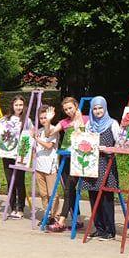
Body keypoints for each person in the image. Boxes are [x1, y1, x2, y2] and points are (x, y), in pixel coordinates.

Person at [46, 97, 88, 232]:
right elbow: (48, 133)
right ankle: (78, 219)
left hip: (79, 159)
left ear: (76, 106)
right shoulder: (64, 122)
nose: (68, 111)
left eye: (70, 108)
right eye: (65, 109)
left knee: (69, 189)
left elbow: (87, 137)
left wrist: (80, 120)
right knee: (70, 190)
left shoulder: (86, 119)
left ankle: (62, 221)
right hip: (65, 158)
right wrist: (48, 120)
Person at [82, 96, 120, 240]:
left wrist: (109, 149)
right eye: (95, 108)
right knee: (93, 196)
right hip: (91, 164)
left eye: (100, 108)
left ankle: (110, 230)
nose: (98, 111)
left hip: (106, 163)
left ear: (105, 108)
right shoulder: (89, 125)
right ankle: (99, 228)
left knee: (106, 198)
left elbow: (120, 143)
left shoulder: (112, 123)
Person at [0, 95, 28, 218]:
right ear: (12, 106)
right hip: (6, 154)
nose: (18, 107)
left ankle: (20, 208)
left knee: (19, 181)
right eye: (16, 105)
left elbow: (32, 134)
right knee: (10, 181)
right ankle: (12, 206)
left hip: (20, 155)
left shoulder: (26, 120)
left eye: (20, 105)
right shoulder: (5, 119)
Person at [33, 105, 60, 221]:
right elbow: (36, 148)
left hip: (50, 166)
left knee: (52, 193)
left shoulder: (53, 130)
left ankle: (55, 215)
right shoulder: (38, 131)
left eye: (45, 118)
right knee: (43, 193)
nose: (43, 120)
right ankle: (47, 214)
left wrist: (37, 139)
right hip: (39, 166)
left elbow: (49, 146)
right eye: (41, 118)